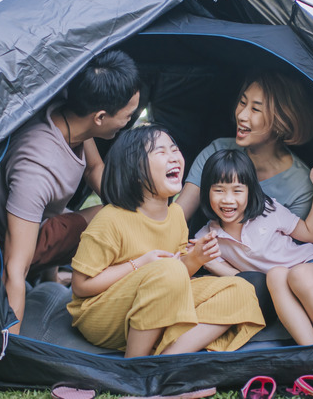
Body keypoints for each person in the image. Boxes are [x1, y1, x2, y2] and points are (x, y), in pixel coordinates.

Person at [66, 125, 265, 357]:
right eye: (161, 152)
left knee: (240, 289)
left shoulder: (176, 216)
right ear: (136, 171)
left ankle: (168, 359)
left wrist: (196, 259)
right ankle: (136, 366)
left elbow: (177, 276)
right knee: (168, 270)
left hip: (155, 306)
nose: (174, 157)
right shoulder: (111, 218)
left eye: (174, 149)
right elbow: (81, 286)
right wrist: (139, 264)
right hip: (103, 315)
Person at [0, 50, 141, 335]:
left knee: (119, 213)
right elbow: (14, 268)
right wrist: (13, 347)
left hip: (40, 220)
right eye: (127, 116)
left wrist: (136, 213)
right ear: (101, 117)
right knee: (107, 218)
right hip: (4, 241)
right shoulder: (37, 168)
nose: (128, 123)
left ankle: (51, 281)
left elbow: (94, 169)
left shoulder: (71, 117)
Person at [175, 70, 313, 321]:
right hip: (207, 262)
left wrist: (219, 267)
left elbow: (284, 260)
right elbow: (177, 217)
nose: (241, 115)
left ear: (281, 120)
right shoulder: (217, 152)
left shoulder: (300, 184)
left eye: (255, 109)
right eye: (242, 103)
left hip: (266, 283)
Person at [194, 149, 313, 345]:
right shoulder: (207, 238)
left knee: (298, 274)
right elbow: (243, 281)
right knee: (276, 275)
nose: (228, 199)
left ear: (250, 190)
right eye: (219, 190)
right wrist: (208, 263)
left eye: (237, 190)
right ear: (206, 191)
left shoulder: (268, 210)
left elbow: (312, 234)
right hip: (285, 292)